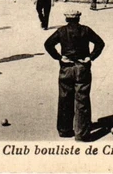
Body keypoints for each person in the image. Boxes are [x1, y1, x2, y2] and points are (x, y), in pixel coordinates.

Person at [44, 10, 105, 141]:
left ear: (67, 19)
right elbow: (100, 43)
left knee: (65, 98)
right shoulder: (86, 30)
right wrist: (90, 57)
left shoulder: (61, 31)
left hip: (66, 68)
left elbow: (48, 44)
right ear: (78, 19)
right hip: (82, 67)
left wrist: (59, 58)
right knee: (82, 100)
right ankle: (81, 134)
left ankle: (64, 130)